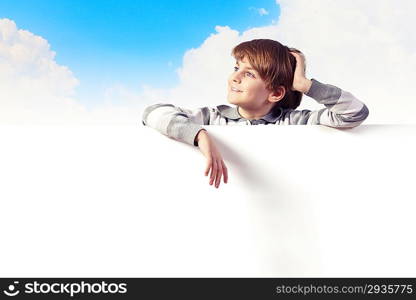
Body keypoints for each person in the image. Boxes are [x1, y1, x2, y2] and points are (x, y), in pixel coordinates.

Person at [142, 39, 369, 189]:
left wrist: (304, 84)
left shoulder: (297, 122)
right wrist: (199, 134)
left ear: (276, 93)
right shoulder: (213, 118)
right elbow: (152, 112)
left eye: (249, 74)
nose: (234, 78)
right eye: (235, 69)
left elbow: (354, 113)